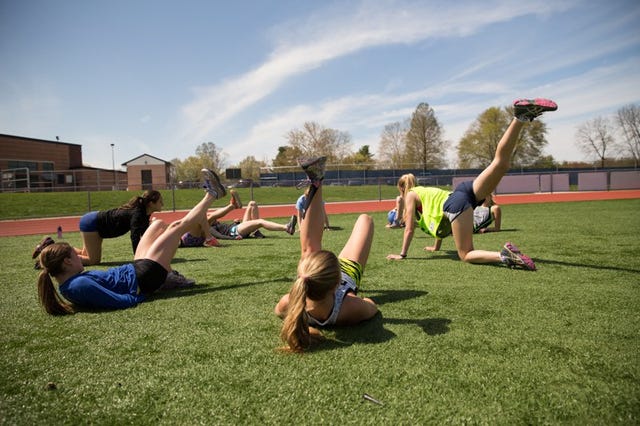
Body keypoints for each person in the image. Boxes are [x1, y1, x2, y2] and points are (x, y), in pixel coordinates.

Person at [386, 98, 558, 270]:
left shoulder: (410, 195)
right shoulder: (423, 192)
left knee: (466, 254)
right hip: (462, 192)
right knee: (500, 163)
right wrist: (436, 247)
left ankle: (503, 255)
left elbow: (409, 229)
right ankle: (520, 118)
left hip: (456, 204)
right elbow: (439, 218)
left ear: (402, 188)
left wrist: (402, 254)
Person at [36, 169, 227, 315]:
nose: (80, 257)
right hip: (145, 276)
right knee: (177, 227)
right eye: (74, 254)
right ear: (67, 262)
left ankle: (168, 276)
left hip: (137, 270)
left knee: (161, 225)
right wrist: (150, 290)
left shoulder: (71, 285)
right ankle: (212, 194)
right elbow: (122, 301)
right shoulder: (78, 286)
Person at [275, 157, 378, 352]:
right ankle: (316, 183)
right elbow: (371, 306)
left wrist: (310, 326)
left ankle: (316, 182)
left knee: (309, 250)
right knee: (365, 219)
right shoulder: (351, 308)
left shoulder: (288, 303)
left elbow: (279, 311)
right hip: (346, 275)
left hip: (330, 278)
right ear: (335, 283)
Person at [32, 190, 165, 266]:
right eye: (160, 201)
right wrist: (139, 259)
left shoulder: (144, 213)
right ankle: (49, 256)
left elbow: (145, 236)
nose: (163, 204)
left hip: (95, 222)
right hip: (93, 223)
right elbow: (135, 237)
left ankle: (50, 246)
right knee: (93, 260)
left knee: (85, 254)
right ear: (151, 203)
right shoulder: (138, 214)